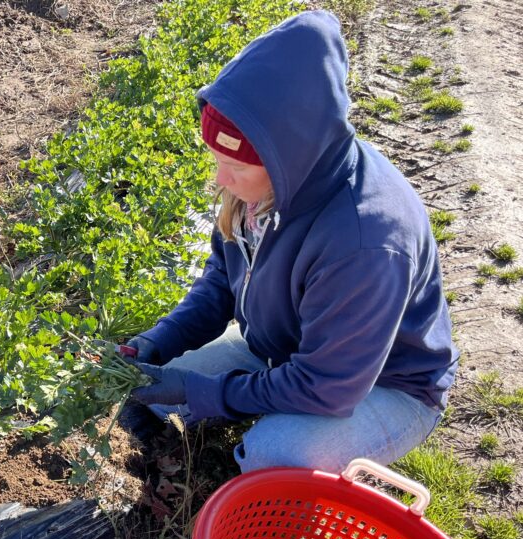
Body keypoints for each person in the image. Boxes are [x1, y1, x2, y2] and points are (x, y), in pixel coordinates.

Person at [123, 10, 458, 474]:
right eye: (217, 160)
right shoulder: (264, 189)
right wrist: (159, 341)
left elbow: (327, 386)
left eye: (236, 168)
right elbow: (221, 281)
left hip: (383, 385)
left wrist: (209, 394)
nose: (221, 179)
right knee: (160, 399)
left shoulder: (367, 239)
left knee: (273, 456)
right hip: (283, 349)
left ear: (287, 158)